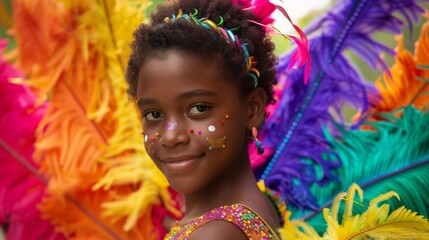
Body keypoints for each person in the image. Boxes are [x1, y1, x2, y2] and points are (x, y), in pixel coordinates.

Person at [125, 0, 282, 239]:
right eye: (153, 114)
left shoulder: (214, 234)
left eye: (198, 108)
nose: (171, 136)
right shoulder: (261, 206)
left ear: (252, 108)